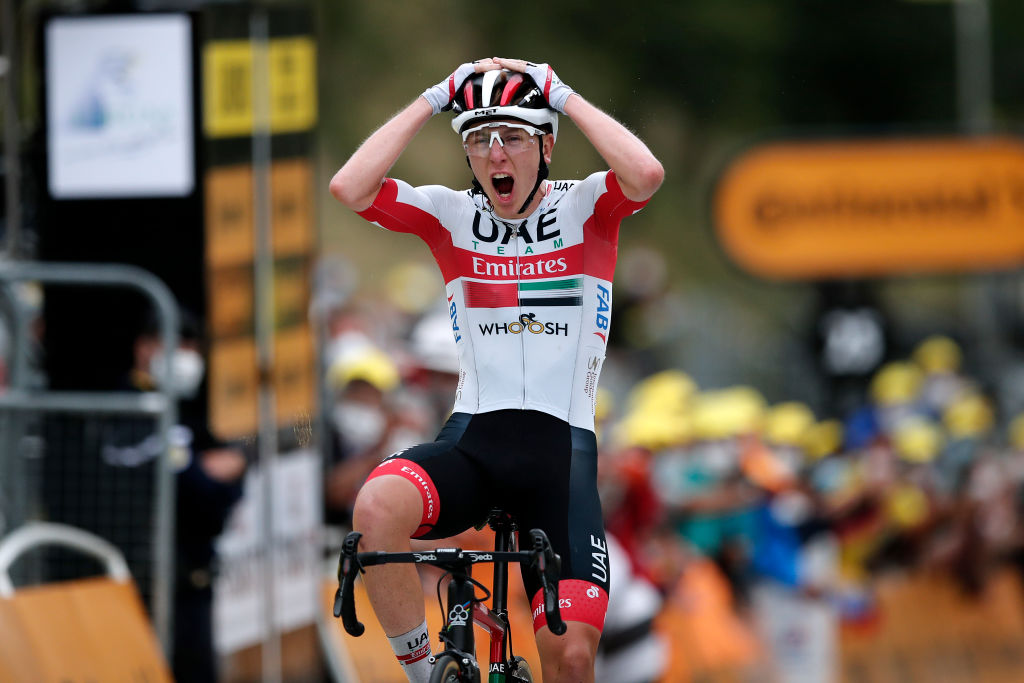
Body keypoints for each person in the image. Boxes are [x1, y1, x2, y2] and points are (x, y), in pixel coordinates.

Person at [329, 56, 663, 683]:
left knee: (568, 660)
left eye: (511, 136)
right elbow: (350, 188)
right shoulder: (451, 215)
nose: (494, 156)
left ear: (546, 143)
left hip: (559, 461)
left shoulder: (588, 206)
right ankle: (427, 671)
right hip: (473, 444)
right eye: (478, 140)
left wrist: (562, 94)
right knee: (376, 507)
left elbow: (644, 173)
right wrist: (435, 97)